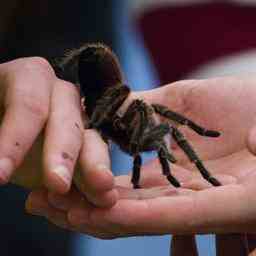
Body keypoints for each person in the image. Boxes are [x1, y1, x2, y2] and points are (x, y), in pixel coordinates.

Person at [24, 75, 256, 255]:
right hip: (113, 131)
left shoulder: (147, 120)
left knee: (166, 125)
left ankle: (198, 170)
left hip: (139, 136)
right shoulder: (114, 118)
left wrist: (200, 133)